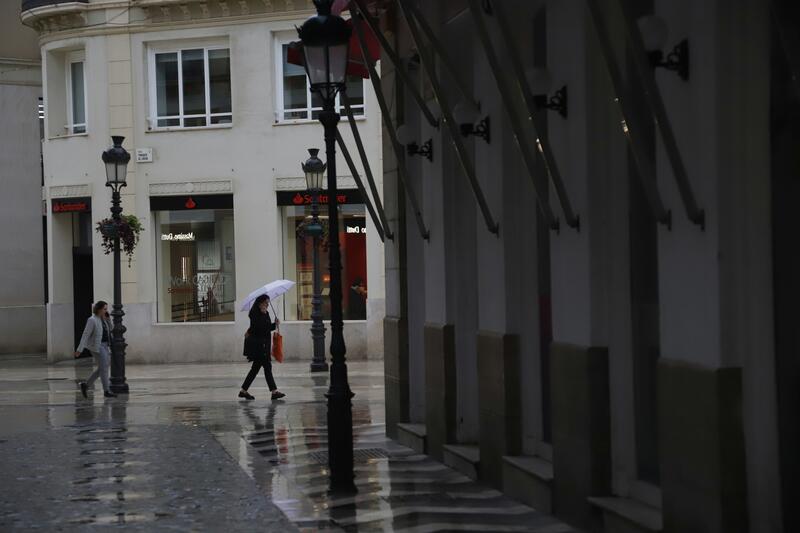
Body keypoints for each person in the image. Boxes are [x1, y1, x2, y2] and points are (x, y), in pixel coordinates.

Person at [239, 294, 285, 401]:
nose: (267, 305)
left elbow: (267, 328)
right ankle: (274, 392)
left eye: (268, 303)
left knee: (255, 369)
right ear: (260, 303)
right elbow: (257, 329)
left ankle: (243, 391)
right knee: (267, 368)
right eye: (266, 303)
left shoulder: (265, 313)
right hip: (259, 346)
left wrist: (274, 324)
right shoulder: (254, 314)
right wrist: (263, 316)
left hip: (264, 345)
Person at [74, 301, 116, 399]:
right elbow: (86, 334)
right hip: (97, 347)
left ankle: (86, 385)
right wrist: (79, 349)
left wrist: (108, 319)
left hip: (105, 345)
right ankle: (107, 391)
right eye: (104, 309)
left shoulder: (104, 319)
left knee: (102, 368)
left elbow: (111, 328)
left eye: (106, 309)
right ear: (99, 309)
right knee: (104, 368)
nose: (106, 311)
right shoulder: (92, 320)